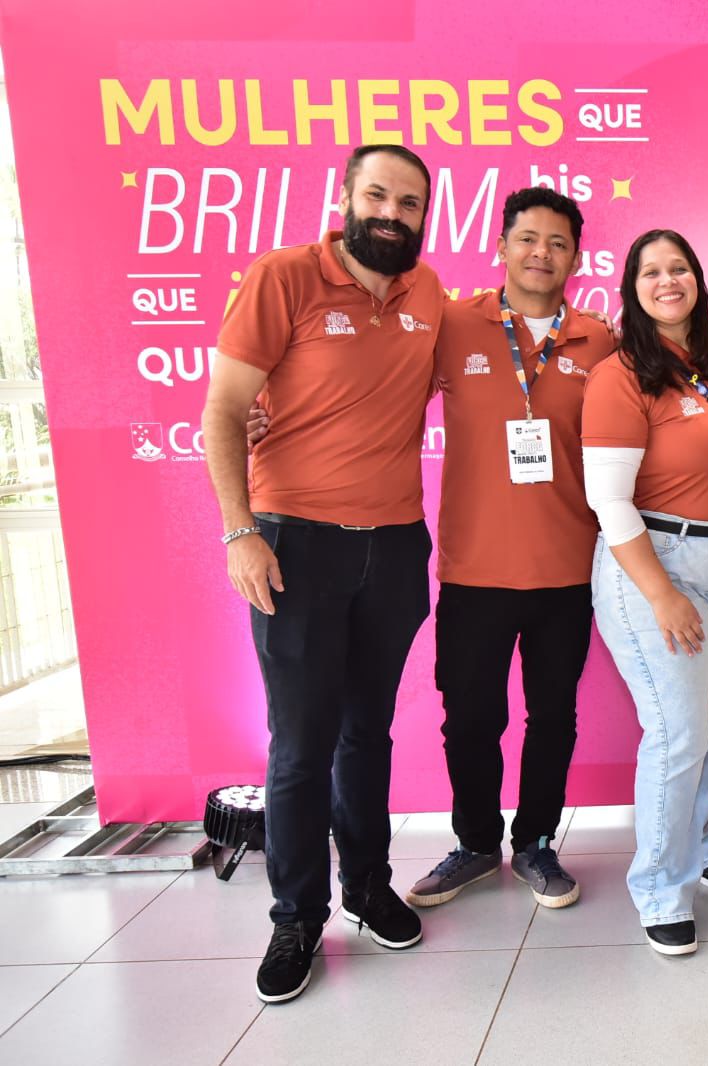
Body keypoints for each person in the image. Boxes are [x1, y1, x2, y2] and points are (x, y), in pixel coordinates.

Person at [202, 144, 442, 1003]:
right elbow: (225, 410)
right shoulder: (284, 277)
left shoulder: (427, 293)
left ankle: (367, 888)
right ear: (345, 198)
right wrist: (240, 533)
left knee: (366, 734)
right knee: (301, 745)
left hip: (396, 547)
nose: (393, 213)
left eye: (409, 203)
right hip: (296, 545)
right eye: (378, 195)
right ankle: (296, 917)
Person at [400, 188, 616, 912]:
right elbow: (381, 387)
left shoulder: (599, 341)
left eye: (557, 243)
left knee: (553, 717)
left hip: (567, 568)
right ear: (501, 247)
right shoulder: (454, 324)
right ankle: (473, 843)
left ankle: (537, 843)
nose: (541, 253)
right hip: (475, 569)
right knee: (469, 717)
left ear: (576, 257)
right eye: (527, 239)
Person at [581, 229, 708, 955]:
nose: (667, 281)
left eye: (679, 268)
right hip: (659, 565)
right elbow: (609, 499)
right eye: (651, 271)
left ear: (698, 281)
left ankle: (695, 837)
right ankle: (660, 887)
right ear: (633, 289)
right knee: (678, 731)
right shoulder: (621, 375)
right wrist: (661, 594)